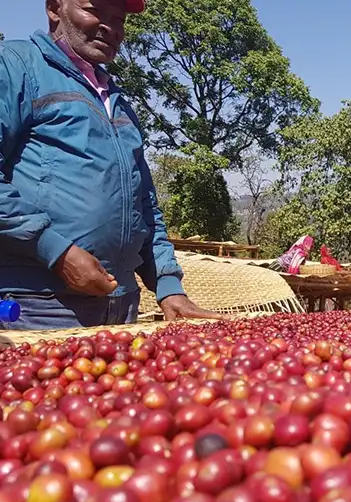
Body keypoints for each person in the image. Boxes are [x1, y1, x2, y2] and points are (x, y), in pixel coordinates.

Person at [0, 0, 218, 330]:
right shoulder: (16, 67)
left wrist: (169, 287)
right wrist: (55, 251)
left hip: (122, 307)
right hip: (39, 306)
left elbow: (145, 206)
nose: (111, 28)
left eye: (120, 19)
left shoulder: (117, 102)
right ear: (55, 7)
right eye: (96, 10)